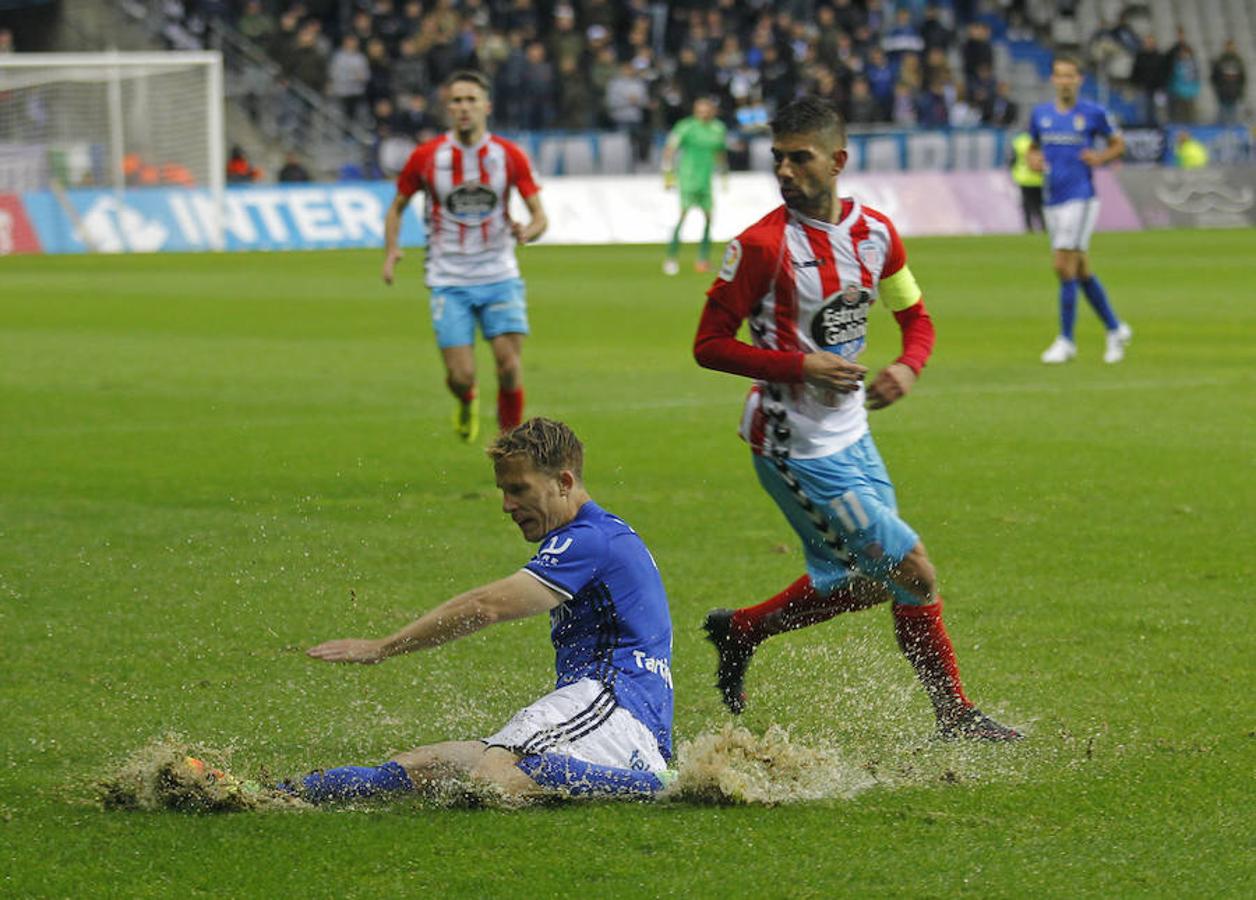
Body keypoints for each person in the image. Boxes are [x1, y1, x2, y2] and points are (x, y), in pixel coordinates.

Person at [692, 96, 1020, 743]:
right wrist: (800, 366)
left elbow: (916, 317)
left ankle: (743, 628)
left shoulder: (875, 234)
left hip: (852, 433)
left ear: (838, 160)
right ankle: (953, 714)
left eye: (800, 157)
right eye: (777, 158)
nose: (784, 171)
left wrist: (910, 366)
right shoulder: (760, 246)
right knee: (914, 571)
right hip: (795, 448)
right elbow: (708, 344)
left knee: (877, 584)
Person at [291, 418, 675, 803]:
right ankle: (279, 792)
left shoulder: (590, 540)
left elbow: (485, 607)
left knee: (490, 778)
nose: (507, 505)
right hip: (601, 709)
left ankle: (664, 785)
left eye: (519, 489)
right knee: (420, 767)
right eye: (503, 491)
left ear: (565, 482)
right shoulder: (596, 535)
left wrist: (383, 647)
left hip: (617, 705)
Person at [382, 70, 548, 443]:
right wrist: (392, 249)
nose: (464, 107)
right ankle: (467, 398)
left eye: (471, 99)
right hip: (448, 279)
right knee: (461, 376)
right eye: (456, 100)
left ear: (486, 106)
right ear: (447, 107)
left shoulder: (508, 156)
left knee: (508, 365)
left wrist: (528, 231)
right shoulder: (427, 157)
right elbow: (396, 207)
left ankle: (511, 444)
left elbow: (540, 216)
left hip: (499, 274)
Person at [1029, 55, 1132, 365]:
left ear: (1079, 80)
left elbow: (1118, 144)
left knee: (1063, 264)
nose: (1064, 81)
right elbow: (1033, 147)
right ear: (1053, 80)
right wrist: (1032, 159)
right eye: (1059, 76)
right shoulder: (1041, 115)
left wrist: (1100, 159)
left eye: (1070, 76)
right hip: (1052, 198)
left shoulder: (1093, 112)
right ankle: (1115, 329)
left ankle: (1067, 341)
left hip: (1081, 196)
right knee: (1080, 268)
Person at [662, 96, 728, 276]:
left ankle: (703, 260)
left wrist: (723, 173)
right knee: (683, 216)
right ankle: (671, 258)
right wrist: (668, 174)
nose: (703, 113)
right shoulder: (686, 126)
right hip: (688, 178)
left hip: (706, 180)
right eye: (700, 110)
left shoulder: (718, 128)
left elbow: (720, 152)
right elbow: (670, 149)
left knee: (708, 218)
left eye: (706, 110)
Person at [1009, 130, 1044, 232]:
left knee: (1027, 205)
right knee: (1040, 205)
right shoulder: (1041, 138)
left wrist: (1013, 172)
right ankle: (1044, 227)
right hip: (1040, 177)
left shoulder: (1018, 141)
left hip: (1023, 177)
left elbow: (1012, 159)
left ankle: (1029, 228)